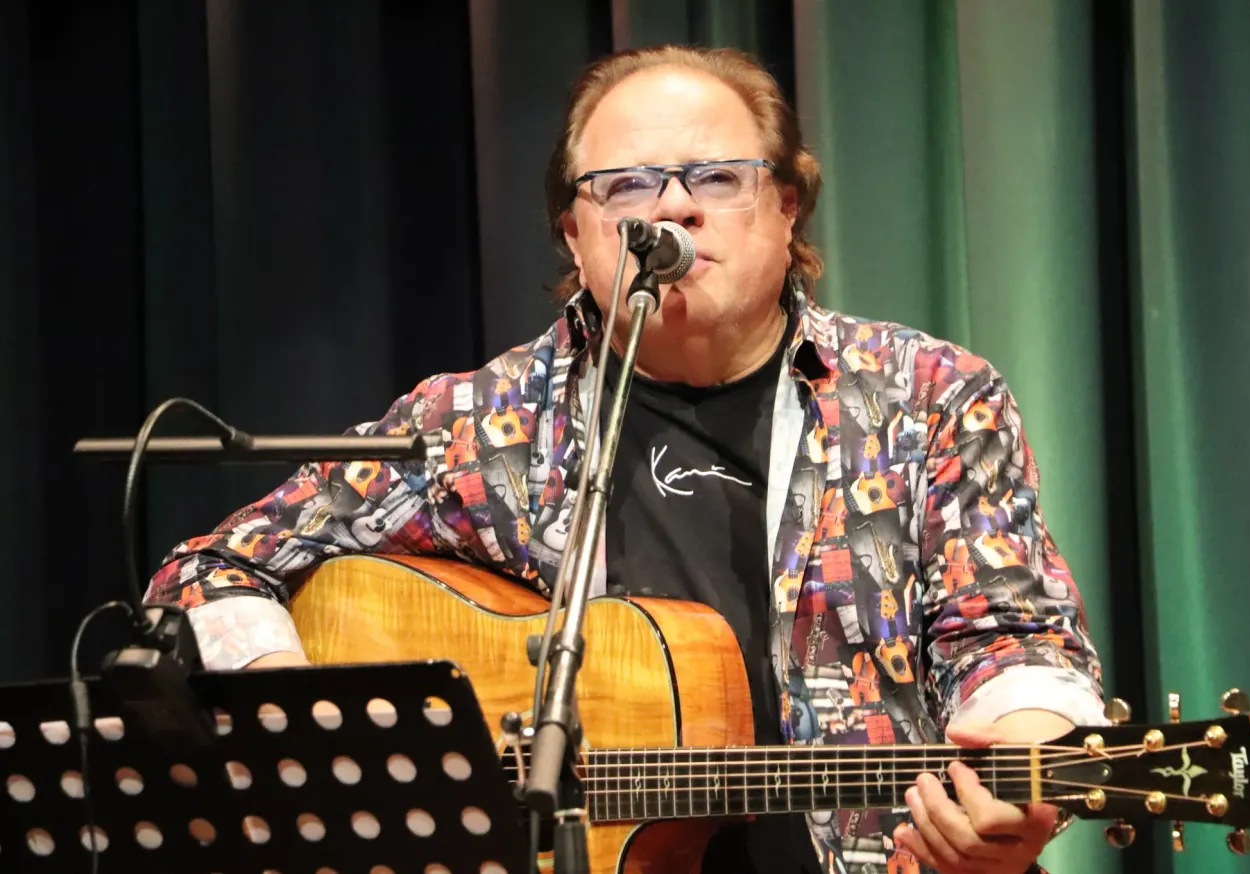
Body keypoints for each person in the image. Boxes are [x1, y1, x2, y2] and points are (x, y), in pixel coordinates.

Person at [147, 45, 1107, 874]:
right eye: (628, 187)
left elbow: (1017, 638)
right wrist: (322, 725)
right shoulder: (474, 423)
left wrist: (1023, 782)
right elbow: (204, 574)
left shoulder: (929, 397)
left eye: (717, 178)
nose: (672, 213)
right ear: (575, 230)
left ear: (787, 208)